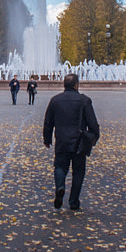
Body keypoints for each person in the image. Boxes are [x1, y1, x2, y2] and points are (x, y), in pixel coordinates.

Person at [43, 73, 100, 211]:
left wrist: (47, 139)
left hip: (62, 140)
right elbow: (93, 124)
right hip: (79, 141)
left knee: (60, 166)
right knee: (78, 171)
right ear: (76, 85)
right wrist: (93, 138)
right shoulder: (84, 101)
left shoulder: (55, 100)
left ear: (64, 85)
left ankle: (60, 187)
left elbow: (48, 122)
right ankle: (74, 201)